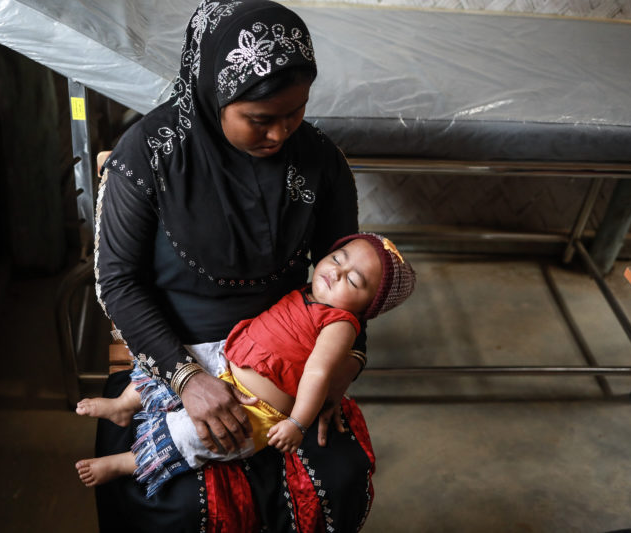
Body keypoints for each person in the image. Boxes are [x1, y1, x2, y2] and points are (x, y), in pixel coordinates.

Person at [91, 0, 379, 530]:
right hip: (175, 349)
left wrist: (343, 367)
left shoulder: (321, 162)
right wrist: (187, 379)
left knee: (337, 477)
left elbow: (356, 282)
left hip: (284, 361)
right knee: (173, 504)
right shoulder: (149, 158)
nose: (282, 133)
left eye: (297, 112)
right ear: (213, 93)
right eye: (261, 120)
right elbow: (120, 282)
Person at [76, 233, 416, 495]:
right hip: (225, 355)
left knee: (190, 438)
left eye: (354, 281)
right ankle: (124, 405)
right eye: (337, 258)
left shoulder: (341, 324)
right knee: (179, 359)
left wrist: (298, 423)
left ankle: (125, 464)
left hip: (256, 409)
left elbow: (318, 372)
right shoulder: (309, 291)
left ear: (365, 309)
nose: (337, 272)